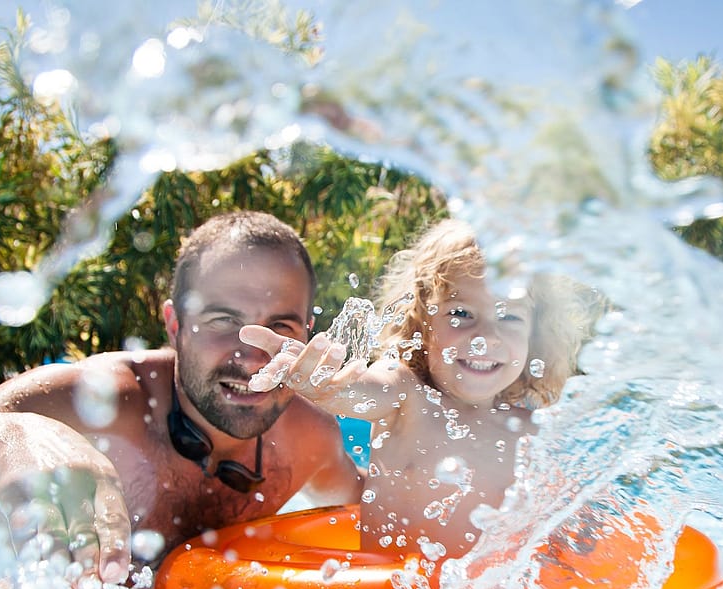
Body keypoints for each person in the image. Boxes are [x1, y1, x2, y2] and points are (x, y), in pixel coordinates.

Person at [0, 211, 362, 589]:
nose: (254, 355)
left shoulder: (311, 436)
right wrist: (13, 437)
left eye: (279, 326)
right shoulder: (98, 402)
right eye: (224, 321)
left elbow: (381, 514)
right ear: (175, 325)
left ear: (307, 332)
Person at [241, 218, 596, 561]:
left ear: (535, 336)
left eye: (509, 317)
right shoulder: (407, 394)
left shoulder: (532, 433)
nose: (486, 336)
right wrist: (326, 386)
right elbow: (364, 390)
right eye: (461, 313)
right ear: (423, 322)